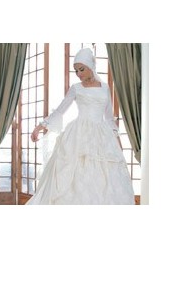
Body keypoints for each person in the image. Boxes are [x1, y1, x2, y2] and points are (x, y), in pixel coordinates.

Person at [26, 48, 135, 205]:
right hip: (78, 135)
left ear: (91, 66)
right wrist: (40, 127)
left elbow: (109, 118)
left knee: (102, 178)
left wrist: (117, 141)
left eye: (81, 69)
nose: (78, 74)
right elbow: (60, 110)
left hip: (102, 136)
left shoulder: (105, 88)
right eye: (76, 70)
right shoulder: (76, 88)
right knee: (75, 173)